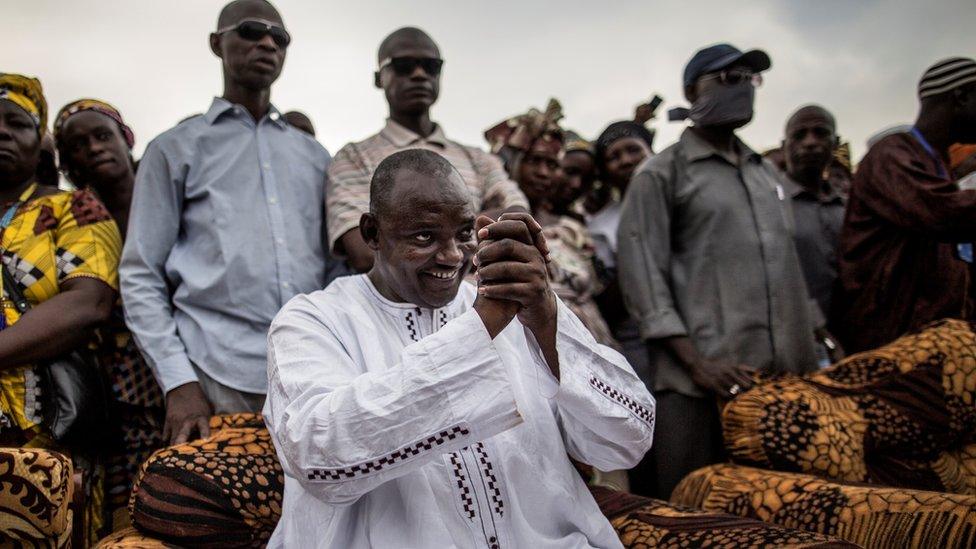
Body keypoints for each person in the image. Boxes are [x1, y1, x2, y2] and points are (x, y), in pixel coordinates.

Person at [264, 148, 654, 547]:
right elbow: (317, 454)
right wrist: (481, 327)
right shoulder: (311, 320)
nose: (452, 255)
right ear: (371, 234)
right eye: (424, 236)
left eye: (464, 233)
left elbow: (627, 441)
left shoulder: (520, 307)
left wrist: (548, 319)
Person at [120, 0, 347, 446]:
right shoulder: (174, 149)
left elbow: (336, 267)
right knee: (223, 511)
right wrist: (178, 382)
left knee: (323, 510)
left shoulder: (316, 158)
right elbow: (140, 272)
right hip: (214, 374)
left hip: (314, 371)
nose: (266, 43)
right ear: (216, 43)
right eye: (250, 31)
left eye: (279, 38)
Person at [617, 44, 820, 499]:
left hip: (780, 379)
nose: (744, 87)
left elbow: (785, 264)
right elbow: (642, 275)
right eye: (728, 79)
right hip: (700, 384)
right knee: (697, 509)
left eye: (751, 78)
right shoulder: (660, 174)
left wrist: (816, 334)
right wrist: (698, 362)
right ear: (692, 92)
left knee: (787, 507)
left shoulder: (766, 173)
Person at [0, 73, 122, 541]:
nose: (3, 131)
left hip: (42, 436)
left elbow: (87, 302)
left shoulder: (75, 209)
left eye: (18, 124)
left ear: (40, 144)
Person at [326, 27, 528, 273]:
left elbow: (519, 218)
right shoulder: (353, 158)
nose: (419, 74)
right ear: (379, 78)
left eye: (431, 66)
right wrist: (477, 224)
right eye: (403, 65)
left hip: (484, 303)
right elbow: (363, 252)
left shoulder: (478, 159)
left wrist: (414, 236)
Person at [53, 98, 165, 527]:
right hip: (107, 378)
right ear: (68, 161)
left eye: (102, 135)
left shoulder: (168, 195)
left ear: (127, 139)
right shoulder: (72, 216)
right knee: (120, 501)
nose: (94, 148)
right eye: (79, 145)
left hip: (177, 363)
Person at [832, 57, 976, 353]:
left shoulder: (935, 162)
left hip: (930, 340)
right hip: (892, 341)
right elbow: (944, 214)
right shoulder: (891, 155)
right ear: (961, 97)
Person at [484, 100, 617, 347]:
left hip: (593, 342)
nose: (544, 173)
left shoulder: (572, 228)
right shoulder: (489, 225)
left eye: (553, 164)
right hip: (529, 347)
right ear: (510, 162)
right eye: (534, 161)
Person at [780, 105, 846, 329]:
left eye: (820, 133)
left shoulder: (848, 208)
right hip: (795, 334)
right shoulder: (769, 204)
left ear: (834, 143)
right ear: (784, 147)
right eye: (799, 135)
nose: (810, 143)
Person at [551, 130, 596, 222]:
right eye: (570, 172)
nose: (577, 184)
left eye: (586, 178)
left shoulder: (580, 223)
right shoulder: (518, 209)